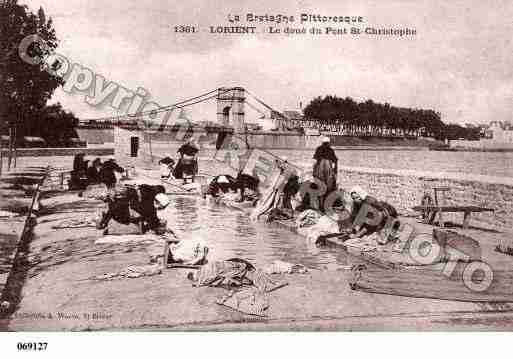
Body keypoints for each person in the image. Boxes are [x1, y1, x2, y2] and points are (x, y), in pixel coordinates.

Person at [97, 184, 170, 234]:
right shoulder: (149, 206)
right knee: (144, 219)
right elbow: (152, 220)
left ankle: (105, 221)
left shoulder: (143, 193)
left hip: (117, 212)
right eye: (161, 207)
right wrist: (160, 224)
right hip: (123, 217)